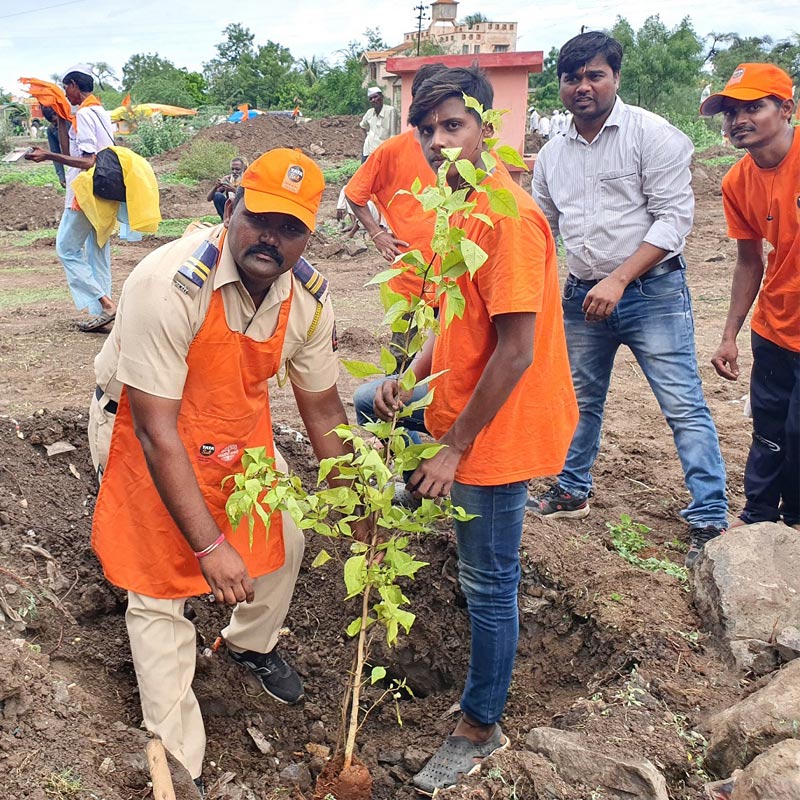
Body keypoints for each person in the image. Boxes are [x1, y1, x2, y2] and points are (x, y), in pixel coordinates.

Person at [88, 148, 364, 794]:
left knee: (284, 540)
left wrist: (356, 510)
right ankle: (181, 768)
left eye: (291, 227)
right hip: (141, 425)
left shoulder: (308, 303)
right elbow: (157, 435)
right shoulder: (170, 284)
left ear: (309, 235)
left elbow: (323, 413)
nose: (272, 237)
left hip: (226, 437)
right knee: (161, 589)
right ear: (231, 206)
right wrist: (211, 546)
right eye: (260, 217)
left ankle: (247, 643)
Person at [362, 65, 578, 795]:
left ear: (488, 126)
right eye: (426, 130)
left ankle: (480, 725)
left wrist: (454, 450)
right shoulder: (458, 205)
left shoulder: (507, 218)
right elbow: (456, 316)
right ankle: (414, 488)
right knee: (366, 401)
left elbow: (515, 350)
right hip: (455, 398)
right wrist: (410, 371)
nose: (436, 142)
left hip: (496, 428)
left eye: (452, 125)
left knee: (489, 582)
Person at [530, 32, 729, 568]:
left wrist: (618, 279)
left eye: (595, 75)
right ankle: (571, 491)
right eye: (572, 78)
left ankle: (710, 516)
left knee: (682, 403)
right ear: (562, 85)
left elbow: (674, 220)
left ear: (615, 77)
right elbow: (543, 228)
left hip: (651, 291)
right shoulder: (551, 155)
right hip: (581, 297)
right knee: (578, 399)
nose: (583, 87)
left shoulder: (651, 136)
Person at [701, 63, 799, 532]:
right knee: (769, 429)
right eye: (731, 112)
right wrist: (729, 335)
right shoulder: (736, 182)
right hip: (775, 324)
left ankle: (795, 520)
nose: (738, 119)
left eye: (753, 108)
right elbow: (748, 261)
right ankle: (758, 514)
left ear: (786, 109)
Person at [346, 64, 444, 372]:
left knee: (452, 357)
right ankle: (395, 417)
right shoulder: (391, 151)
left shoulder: (464, 152)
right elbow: (354, 193)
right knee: (402, 359)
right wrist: (378, 234)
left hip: (456, 276)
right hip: (410, 276)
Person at [25, 64, 117, 332]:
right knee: (98, 252)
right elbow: (75, 149)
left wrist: (47, 155)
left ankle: (106, 304)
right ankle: (103, 314)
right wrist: (62, 121)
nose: (66, 94)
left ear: (75, 86)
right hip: (105, 191)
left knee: (66, 248)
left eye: (67, 88)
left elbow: (87, 161)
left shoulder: (87, 115)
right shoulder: (100, 112)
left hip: (86, 193)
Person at [359, 86, 399, 162]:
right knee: (365, 173)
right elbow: (362, 126)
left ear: (382, 97)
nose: (373, 100)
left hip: (382, 152)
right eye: (371, 99)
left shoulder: (390, 111)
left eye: (375, 97)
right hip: (368, 151)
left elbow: (393, 135)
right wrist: (366, 138)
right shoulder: (370, 112)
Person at [41, 105, 66, 187]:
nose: (56, 125)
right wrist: (61, 177)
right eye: (52, 123)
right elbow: (55, 154)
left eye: (56, 121)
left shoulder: (72, 123)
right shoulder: (51, 130)